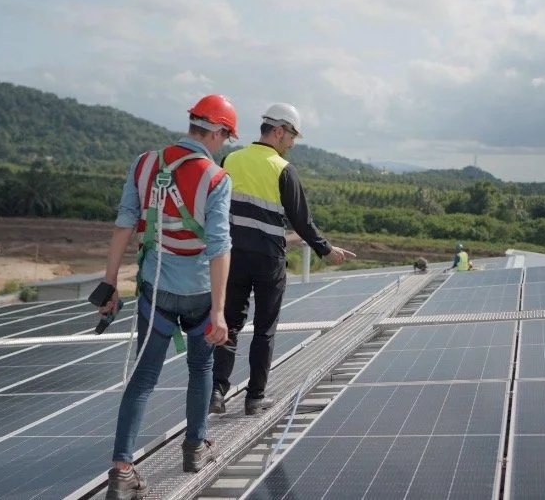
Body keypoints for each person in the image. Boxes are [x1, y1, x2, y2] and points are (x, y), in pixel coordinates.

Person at [98, 94, 237, 500]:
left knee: (142, 380)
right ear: (215, 131)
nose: (225, 143)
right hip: (197, 292)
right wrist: (218, 311)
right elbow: (219, 245)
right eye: (226, 135)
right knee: (201, 368)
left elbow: (125, 222)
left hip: (154, 291)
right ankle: (195, 447)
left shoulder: (144, 163)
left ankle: (122, 471)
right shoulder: (216, 178)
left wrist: (110, 283)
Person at [210, 102, 356, 416]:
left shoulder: (231, 159)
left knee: (230, 325)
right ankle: (254, 398)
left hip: (231, 257)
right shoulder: (283, 169)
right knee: (265, 328)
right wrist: (326, 250)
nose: (291, 143)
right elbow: (301, 220)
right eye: (290, 136)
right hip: (268, 260)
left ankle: (216, 393)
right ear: (278, 131)